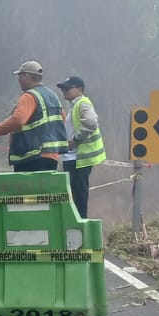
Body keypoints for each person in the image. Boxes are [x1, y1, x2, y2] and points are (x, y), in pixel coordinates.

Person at [0, 60, 69, 172]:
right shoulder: (52, 96)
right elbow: (61, 120)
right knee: (44, 189)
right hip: (51, 157)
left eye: (20, 76)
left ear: (27, 76)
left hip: (32, 157)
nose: (19, 80)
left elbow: (18, 120)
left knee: (27, 190)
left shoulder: (29, 96)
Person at [56, 76, 104, 219]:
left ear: (80, 89)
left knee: (79, 196)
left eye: (68, 88)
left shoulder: (82, 103)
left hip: (78, 158)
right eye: (63, 88)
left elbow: (91, 123)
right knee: (76, 195)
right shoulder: (75, 105)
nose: (64, 91)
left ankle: (80, 225)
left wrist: (75, 139)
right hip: (73, 157)